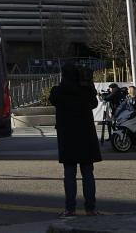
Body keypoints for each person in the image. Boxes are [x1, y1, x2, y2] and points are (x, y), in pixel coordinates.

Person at [50, 64, 100, 217]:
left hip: (68, 138)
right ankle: (90, 208)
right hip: (86, 137)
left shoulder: (58, 91)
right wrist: (89, 84)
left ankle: (70, 208)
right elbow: (94, 103)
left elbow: (53, 100)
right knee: (88, 174)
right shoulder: (85, 91)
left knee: (69, 174)